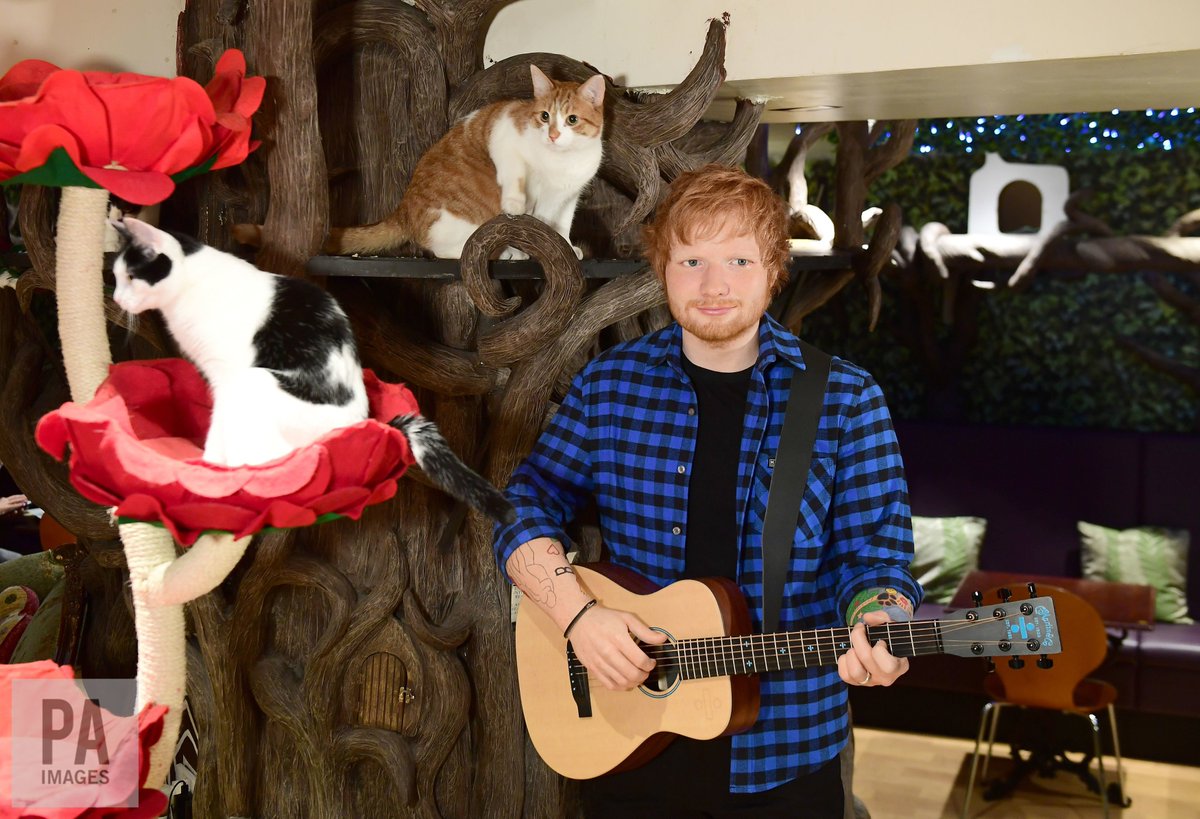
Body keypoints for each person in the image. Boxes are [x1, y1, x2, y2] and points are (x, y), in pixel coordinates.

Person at [493, 164, 922, 817]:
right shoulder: (611, 385)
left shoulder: (844, 398)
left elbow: (875, 559)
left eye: (739, 259)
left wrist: (881, 616)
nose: (714, 284)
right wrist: (577, 615)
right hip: (625, 736)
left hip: (786, 754)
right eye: (691, 259)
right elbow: (525, 501)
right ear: (661, 267)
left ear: (774, 269)